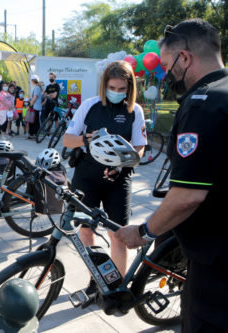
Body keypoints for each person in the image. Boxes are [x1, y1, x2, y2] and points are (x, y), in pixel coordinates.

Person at [115, 19, 228, 333]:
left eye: (167, 65)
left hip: (222, 265)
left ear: (185, 58)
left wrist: (143, 231)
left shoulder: (206, 102)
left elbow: (187, 196)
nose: (165, 74)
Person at [63, 60, 146, 295]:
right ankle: (95, 281)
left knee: (118, 234)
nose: (117, 93)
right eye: (113, 88)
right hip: (87, 175)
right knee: (86, 230)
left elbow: (140, 148)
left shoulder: (134, 111)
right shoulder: (89, 106)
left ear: (130, 88)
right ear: (104, 85)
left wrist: (124, 164)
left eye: (122, 89)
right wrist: (85, 140)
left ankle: (118, 286)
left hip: (118, 179)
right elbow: (67, 140)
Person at [28, 75, 43, 139]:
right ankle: (34, 134)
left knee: (34, 122)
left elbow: (35, 97)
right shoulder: (38, 87)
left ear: (32, 81)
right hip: (36, 107)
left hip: (35, 107)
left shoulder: (37, 88)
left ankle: (34, 135)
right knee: (35, 121)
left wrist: (31, 104)